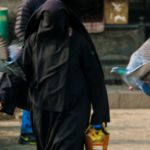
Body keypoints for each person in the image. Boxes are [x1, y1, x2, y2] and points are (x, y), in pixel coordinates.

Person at [0, 0, 110, 149]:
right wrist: (3, 94)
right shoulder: (34, 42)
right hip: (43, 111)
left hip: (74, 111)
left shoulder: (78, 42)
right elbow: (18, 70)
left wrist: (99, 114)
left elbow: (95, 79)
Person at [15, 0, 46, 144]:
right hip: (31, 55)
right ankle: (27, 132)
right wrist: (34, 45)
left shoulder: (52, 3)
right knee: (31, 92)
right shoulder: (28, 3)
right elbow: (20, 30)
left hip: (48, 56)